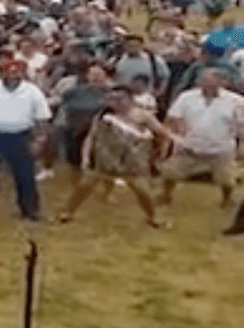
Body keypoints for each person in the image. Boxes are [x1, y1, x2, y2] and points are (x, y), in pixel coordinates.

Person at [57, 85, 180, 227]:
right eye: (114, 99)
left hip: (131, 160)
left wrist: (174, 141)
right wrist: (85, 157)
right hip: (105, 158)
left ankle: (153, 217)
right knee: (85, 185)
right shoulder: (104, 115)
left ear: (130, 99)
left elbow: (161, 130)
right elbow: (91, 137)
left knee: (142, 190)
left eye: (121, 98)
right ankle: (67, 212)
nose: (118, 102)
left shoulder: (142, 115)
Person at [0, 59, 52, 221]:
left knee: (25, 175)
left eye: (17, 73)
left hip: (20, 136)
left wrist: (40, 140)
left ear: (22, 74)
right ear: (2, 73)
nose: (13, 76)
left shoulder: (33, 91)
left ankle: (29, 210)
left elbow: (42, 119)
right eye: (10, 72)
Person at [158, 69, 244, 209]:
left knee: (227, 180)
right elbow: (173, 118)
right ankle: (166, 195)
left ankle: (226, 199)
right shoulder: (186, 97)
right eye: (204, 79)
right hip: (190, 146)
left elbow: (242, 125)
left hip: (221, 149)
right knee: (170, 173)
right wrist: (175, 137)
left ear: (224, 82)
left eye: (212, 79)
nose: (206, 82)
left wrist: (242, 146)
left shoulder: (237, 101)